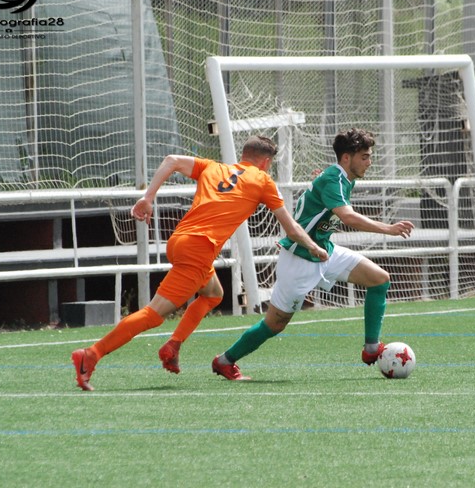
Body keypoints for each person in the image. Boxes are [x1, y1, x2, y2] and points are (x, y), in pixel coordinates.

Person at [71, 136, 328, 391]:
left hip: (180, 240)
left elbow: (171, 160)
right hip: (198, 249)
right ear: (266, 162)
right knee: (153, 314)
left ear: (244, 155)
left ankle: (173, 345)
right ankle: (91, 355)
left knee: (213, 294)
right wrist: (315, 248)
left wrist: (148, 198)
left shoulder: (213, 167)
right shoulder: (262, 180)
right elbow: (292, 228)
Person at [212, 127, 415, 380]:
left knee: (379, 279)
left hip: (324, 251)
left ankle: (371, 349)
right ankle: (224, 361)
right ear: (346, 158)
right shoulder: (334, 179)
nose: (369, 162)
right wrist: (389, 228)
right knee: (275, 324)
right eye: (364, 157)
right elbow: (348, 217)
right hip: (300, 259)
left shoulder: (341, 178)